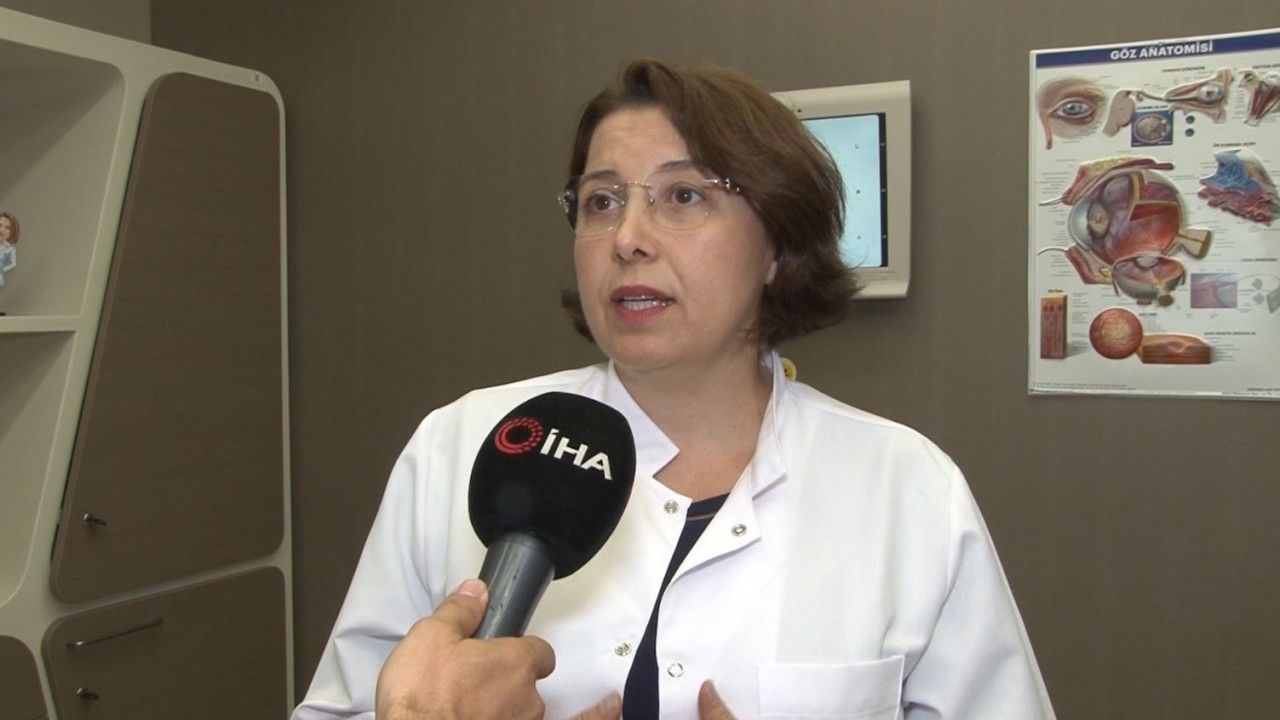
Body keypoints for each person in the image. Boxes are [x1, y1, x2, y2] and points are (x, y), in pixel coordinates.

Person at [294, 59, 1056, 719]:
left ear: (777, 245)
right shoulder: (464, 444)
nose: (628, 237)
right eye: (601, 201)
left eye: (684, 196)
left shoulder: (909, 489)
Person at [0, 212, 19, 287]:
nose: (2, 230)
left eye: (7, 228)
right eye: (0, 225)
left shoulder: (9, 250)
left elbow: (12, 263)